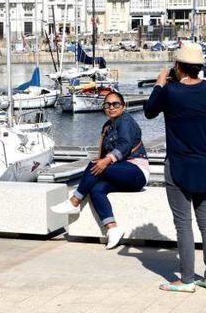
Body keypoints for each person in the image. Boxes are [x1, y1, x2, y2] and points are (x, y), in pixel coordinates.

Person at [144, 42, 206, 293]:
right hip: (205, 163)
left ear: (177, 66)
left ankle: (187, 279)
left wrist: (160, 82)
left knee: (183, 223)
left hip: (178, 164)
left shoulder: (170, 92)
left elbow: (149, 112)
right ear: (200, 67)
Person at [50, 91, 149, 250]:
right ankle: (112, 228)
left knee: (94, 165)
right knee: (96, 189)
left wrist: (106, 161)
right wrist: (101, 164)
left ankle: (74, 201)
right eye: (107, 104)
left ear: (123, 106)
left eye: (115, 104)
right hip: (120, 172)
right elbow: (102, 154)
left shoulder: (126, 122)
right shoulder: (107, 127)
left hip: (136, 172)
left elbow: (125, 145)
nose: (111, 107)